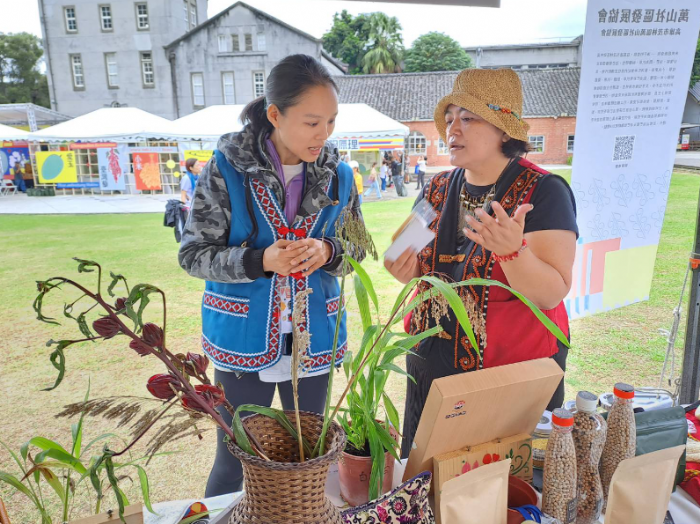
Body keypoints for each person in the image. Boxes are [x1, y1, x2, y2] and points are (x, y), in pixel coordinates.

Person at [178, 54, 364, 496]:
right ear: (275, 114)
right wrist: (260, 261)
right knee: (236, 458)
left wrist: (327, 250)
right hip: (243, 337)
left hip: (314, 337)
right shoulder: (226, 168)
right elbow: (192, 254)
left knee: (312, 455)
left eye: (332, 122)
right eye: (312, 122)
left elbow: (358, 250)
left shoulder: (338, 175)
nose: (324, 135)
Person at [383, 68, 577, 458]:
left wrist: (513, 251)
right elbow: (402, 251)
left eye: (468, 118)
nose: (453, 129)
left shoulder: (543, 191)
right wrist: (403, 265)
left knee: (496, 484)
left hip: (508, 374)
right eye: (450, 118)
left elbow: (551, 292)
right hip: (433, 363)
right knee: (427, 475)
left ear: (505, 131)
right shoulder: (438, 188)